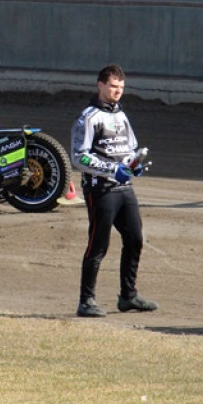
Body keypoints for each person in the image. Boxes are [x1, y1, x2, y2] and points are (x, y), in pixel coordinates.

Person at [71, 64, 157, 318]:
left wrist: (134, 164)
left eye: (121, 87)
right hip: (100, 190)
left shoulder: (121, 115)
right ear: (100, 85)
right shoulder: (88, 118)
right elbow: (79, 157)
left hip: (124, 188)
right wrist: (112, 169)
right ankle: (86, 301)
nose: (117, 91)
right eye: (113, 86)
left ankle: (128, 296)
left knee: (135, 238)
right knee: (98, 245)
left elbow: (130, 149)